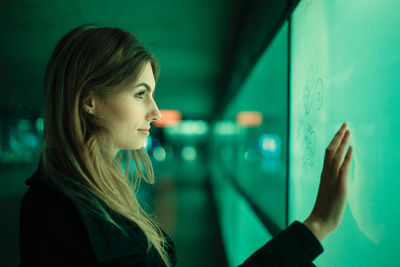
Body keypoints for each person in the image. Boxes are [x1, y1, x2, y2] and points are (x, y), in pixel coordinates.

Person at [18, 24, 353, 267]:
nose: (156, 111)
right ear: (90, 101)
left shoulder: (73, 195)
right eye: (140, 93)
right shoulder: (73, 214)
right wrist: (316, 226)